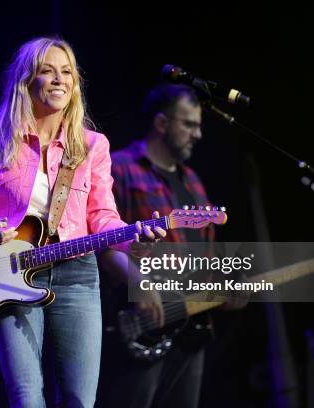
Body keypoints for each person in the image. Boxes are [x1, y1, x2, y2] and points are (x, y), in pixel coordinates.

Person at [0, 37, 165, 408]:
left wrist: (133, 239)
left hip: (77, 275)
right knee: (26, 398)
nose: (59, 80)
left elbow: (102, 216)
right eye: (47, 71)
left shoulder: (91, 146)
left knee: (79, 400)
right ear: (26, 81)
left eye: (67, 72)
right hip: (6, 273)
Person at [97, 83, 216, 408]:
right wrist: (137, 285)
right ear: (162, 124)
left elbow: (205, 257)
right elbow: (99, 242)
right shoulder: (119, 168)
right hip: (137, 327)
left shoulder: (193, 181)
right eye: (189, 124)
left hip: (191, 329)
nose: (198, 134)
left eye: (199, 125)